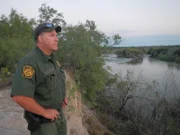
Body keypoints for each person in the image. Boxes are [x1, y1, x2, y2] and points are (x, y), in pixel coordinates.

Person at [11, 22, 67, 135]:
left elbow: (56, 80)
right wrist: (45, 112)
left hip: (59, 116)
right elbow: (19, 96)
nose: (56, 39)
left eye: (56, 35)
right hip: (44, 124)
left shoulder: (52, 59)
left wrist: (63, 97)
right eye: (51, 35)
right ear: (40, 38)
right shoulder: (30, 62)